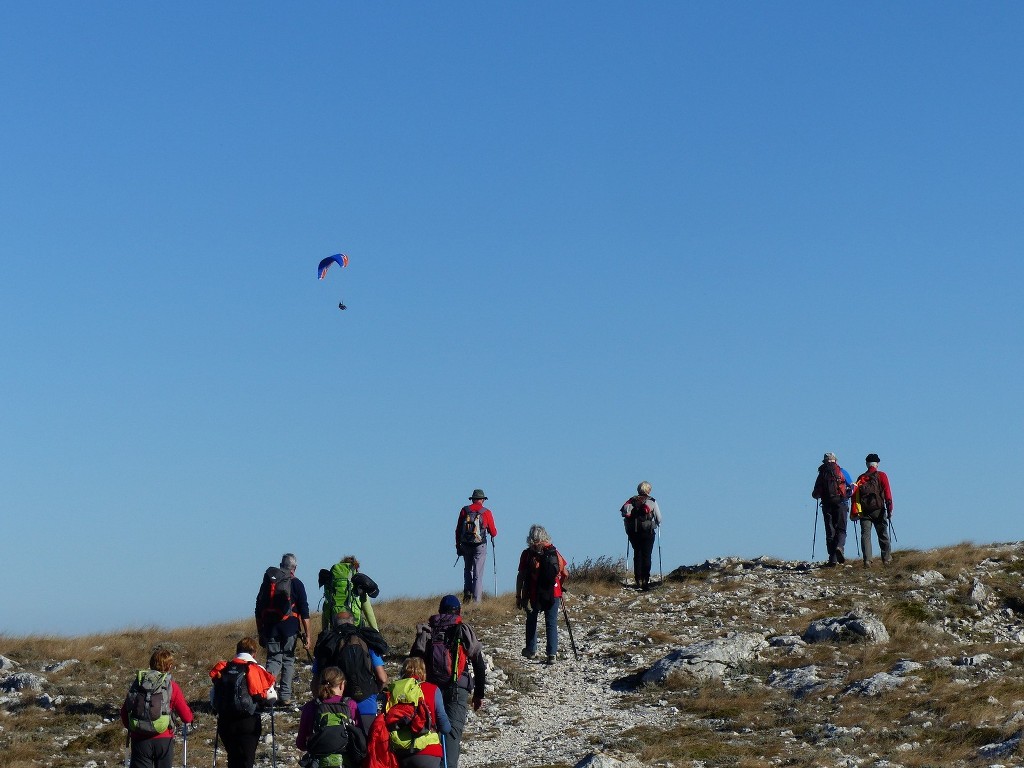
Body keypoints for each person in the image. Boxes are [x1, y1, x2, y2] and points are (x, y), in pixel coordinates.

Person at [409, 595, 486, 768]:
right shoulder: (463, 629)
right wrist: (478, 695)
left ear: (440, 611)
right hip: (457, 688)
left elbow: (414, 662)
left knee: (431, 732)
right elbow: (479, 665)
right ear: (458, 611)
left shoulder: (428, 630)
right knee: (452, 733)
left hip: (429, 689)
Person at [366, 657, 451, 768]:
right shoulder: (432, 689)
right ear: (423, 672)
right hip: (428, 752)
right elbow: (445, 727)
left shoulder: (393, 691)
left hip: (400, 754)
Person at [312, 611, 389, 733]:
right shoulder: (366, 640)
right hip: (366, 703)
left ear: (334, 624)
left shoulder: (327, 643)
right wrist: (375, 691)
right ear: (354, 622)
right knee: (367, 745)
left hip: (336, 708)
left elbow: (316, 681)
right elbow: (382, 678)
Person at [209, 637, 278, 768]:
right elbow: (270, 697)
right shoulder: (256, 669)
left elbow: (213, 698)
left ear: (237, 651)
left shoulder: (224, 668)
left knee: (233, 758)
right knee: (247, 760)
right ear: (254, 653)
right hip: (248, 721)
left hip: (225, 721)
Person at [120, 649, 193, 768]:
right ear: (169, 666)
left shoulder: (138, 684)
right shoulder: (171, 686)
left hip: (140, 739)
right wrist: (190, 716)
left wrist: (134, 727)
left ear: (151, 663)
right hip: (164, 738)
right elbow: (186, 717)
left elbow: (124, 712)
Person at [255, 552, 312, 706]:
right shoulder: (297, 584)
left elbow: (258, 608)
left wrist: (260, 631)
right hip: (290, 628)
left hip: (270, 627)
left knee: (273, 660)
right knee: (288, 660)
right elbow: (304, 612)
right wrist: (308, 636)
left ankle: (267, 692)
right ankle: (285, 696)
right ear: (295, 568)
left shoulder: (268, 583)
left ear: (281, 565)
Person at [516, 524, 569, 663]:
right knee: (551, 622)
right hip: (554, 591)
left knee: (532, 619)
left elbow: (521, 576)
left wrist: (519, 595)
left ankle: (531, 650)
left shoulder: (527, 554)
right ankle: (552, 654)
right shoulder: (553, 552)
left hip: (534, 592)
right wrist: (559, 585)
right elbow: (565, 572)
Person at [296, 666, 362, 766]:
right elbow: (359, 738)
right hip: (345, 762)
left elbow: (301, 744)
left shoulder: (311, 707)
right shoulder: (351, 705)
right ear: (341, 685)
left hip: (318, 762)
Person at [455, 489, 498, 603]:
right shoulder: (486, 512)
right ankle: (476, 602)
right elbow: (493, 532)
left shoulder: (465, 510)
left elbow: (458, 529)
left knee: (468, 570)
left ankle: (467, 597)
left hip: (465, 544)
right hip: (480, 545)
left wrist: (457, 545)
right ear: (483, 500)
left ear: (472, 499)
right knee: (478, 573)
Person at [852, 453, 895, 567]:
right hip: (879, 509)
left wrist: (855, 512)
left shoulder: (861, 478)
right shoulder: (882, 475)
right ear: (877, 464)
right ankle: (886, 559)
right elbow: (887, 493)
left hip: (864, 511)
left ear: (867, 464)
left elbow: (855, 496)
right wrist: (890, 509)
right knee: (882, 534)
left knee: (865, 535)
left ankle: (867, 560)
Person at [620, 481, 663, 589]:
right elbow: (659, 518)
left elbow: (624, 513)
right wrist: (658, 523)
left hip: (633, 532)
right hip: (647, 531)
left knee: (637, 554)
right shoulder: (652, 501)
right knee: (646, 555)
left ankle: (638, 579)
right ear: (648, 490)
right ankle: (645, 580)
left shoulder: (631, 501)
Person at [811, 453, 850, 567]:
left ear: (825, 461)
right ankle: (840, 547)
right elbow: (853, 487)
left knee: (830, 531)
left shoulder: (822, 473)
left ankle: (832, 559)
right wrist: (847, 494)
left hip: (827, 504)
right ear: (835, 461)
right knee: (841, 529)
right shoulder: (842, 471)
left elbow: (815, 494)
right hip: (841, 503)